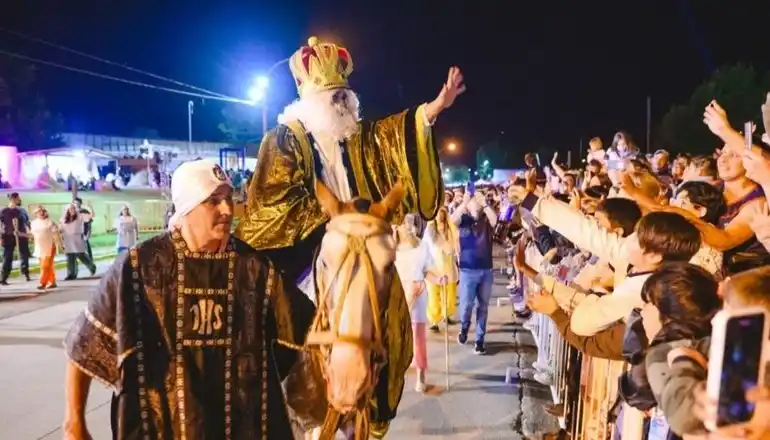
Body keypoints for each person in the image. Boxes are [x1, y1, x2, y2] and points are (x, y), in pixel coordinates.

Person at [236, 36, 463, 437]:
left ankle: (376, 403)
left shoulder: (356, 136)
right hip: (309, 248)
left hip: (360, 237)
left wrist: (431, 111)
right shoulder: (285, 139)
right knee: (273, 321)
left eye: (344, 93)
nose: (341, 101)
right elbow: (274, 204)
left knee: (386, 305)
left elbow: (393, 138)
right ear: (310, 99)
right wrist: (333, 219)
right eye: (331, 95)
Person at [62, 160, 315, 440]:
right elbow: (85, 344)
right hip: (161, 428)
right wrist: (74, 423)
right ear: (186, 208)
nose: (227, 209)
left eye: (229, 199)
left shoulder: (254, 268)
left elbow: (310, 326)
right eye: (213, 201)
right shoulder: (138, 268)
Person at [394, 214, 445, 393]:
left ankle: (421, 374)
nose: (408, 225)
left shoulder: (422, 247)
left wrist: (438, 280)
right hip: (397, 298)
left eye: (410, 221)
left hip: (419, 295)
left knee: (418, 338)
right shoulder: (391, 249)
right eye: (404, 222)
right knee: (395, 337)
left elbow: (425, 272)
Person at [451, 189, 498, 355]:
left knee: (483, 306)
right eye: (474, 201)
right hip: (467, 270)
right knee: (466, 306)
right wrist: (464, 203)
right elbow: (453, 220)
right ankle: (464, 328)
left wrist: (484, 204)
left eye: (478, 201)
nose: (476, 204)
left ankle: (480, 340)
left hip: (486, 269)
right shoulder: (463, 220)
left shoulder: (486, 219)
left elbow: (495, 220)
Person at [0, 192, 31, 283]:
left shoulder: (22, 211)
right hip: (8, 236)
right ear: (13, 199)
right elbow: (1, 225)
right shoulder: (4, 211)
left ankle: (25, 273)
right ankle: (4, 277)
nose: (19, 200)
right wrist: (1, 237)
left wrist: (27, 232)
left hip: (21, 236)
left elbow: (27, 222)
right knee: (7, 257)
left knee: (24, 255)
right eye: (18, 198)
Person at [60, 204, 97, 280]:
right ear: (67, 211)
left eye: (73, 208)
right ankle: (71, 274)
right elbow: (61, 229)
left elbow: (92, 215)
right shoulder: (63, 219)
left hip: (78, 238)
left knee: (81, 255)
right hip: (68, 239)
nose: (72, 210)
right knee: (70, 257)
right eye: (70, 209)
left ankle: (92, 266)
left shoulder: (80, 216)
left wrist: (90, 206)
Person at [30, 206, 60, 289]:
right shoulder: (33, 223)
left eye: (43, 211)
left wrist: (60, 245)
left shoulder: (50, 222)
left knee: (45, 265)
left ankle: (42, 283)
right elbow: (32, 235)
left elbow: (56, 234)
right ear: (35, 214)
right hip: (39, 247)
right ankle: (52, 281)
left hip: (50, 246)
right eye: (39, 212)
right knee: (47, 266)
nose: (41, 213)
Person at [73, 197, 95, 261]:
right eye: (75, 203)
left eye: (77, 203)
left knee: (86, 245)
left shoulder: (84, 211)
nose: (76, 204)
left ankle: (90, 259)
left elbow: (90, 221)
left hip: (84, 232)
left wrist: (89, 232)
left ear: (80, 203)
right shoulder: (72, 212)